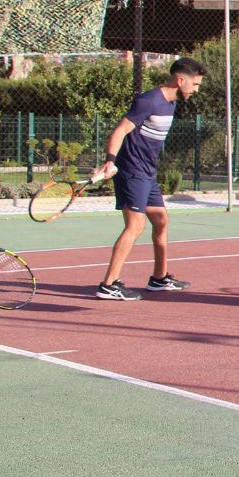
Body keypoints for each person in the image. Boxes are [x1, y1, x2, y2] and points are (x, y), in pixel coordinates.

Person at [94, 57, 205, 300]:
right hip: (132, 171)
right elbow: (120, 130)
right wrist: (111, 160)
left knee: (161, 220)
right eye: (195, 84)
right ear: (180, 80)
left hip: (147, 172)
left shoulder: (171, 103)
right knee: (136, 226)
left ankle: (159, 278)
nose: (196, 90)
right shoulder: (148, 101)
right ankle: (109, 284)